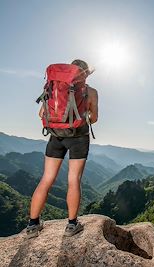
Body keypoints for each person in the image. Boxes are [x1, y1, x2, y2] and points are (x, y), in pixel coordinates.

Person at [26, 59, 98, 238]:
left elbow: (42, 113)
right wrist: (83, 114)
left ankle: (33, 225)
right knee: (74, 179)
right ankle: (72, 225)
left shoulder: (54, 86)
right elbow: (94, 118)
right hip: (79, 138)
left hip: (56, 136)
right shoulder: (91, 92)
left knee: (46, 178)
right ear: (85, 73)